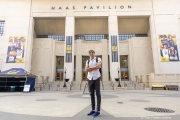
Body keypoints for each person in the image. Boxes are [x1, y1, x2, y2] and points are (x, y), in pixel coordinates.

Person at [86, 50, 101, 117]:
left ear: (94, 53)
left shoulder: (98, 59)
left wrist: (90, 68)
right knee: (91, 94)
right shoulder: (87, 61)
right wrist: (94, 68)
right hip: (89, 78)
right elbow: (86, 69)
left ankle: (98, 111)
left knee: (98, 94)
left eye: (93, 52)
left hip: (96, 78)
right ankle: (93, 110)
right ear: (89, 54)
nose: (91, 53)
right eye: (90, 52)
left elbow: (98, 67)